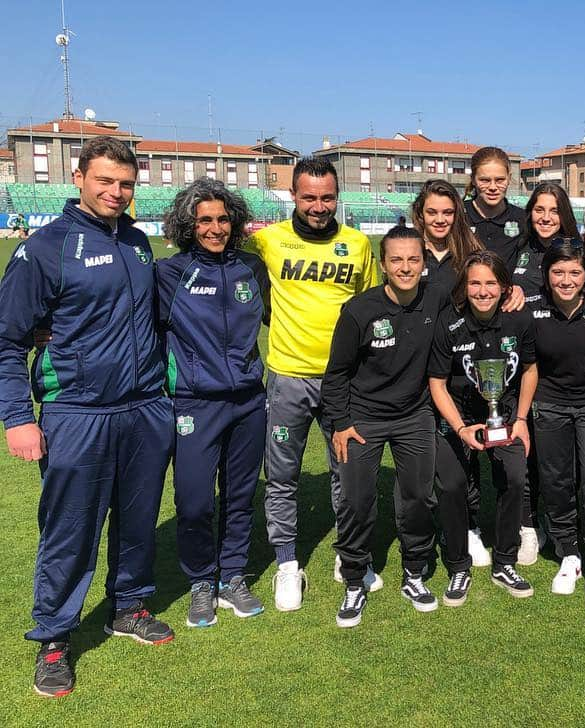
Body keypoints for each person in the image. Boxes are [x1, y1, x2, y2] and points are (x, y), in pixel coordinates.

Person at [0, 137, 174, 697]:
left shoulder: (141, 243)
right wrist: (17, 418)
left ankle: (129, 606)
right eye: (105, 181)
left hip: (144, 406)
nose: (116, 192)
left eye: (125, 183)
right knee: (70, 528)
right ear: (79, 178)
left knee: (138, 517)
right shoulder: (45, 248)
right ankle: (53, 637)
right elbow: (7, 340)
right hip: (76, 411)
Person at [247, 156, 381, 611]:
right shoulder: (268, 241)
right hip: (288, 377)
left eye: (327, 197)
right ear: (293, 196)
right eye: (309, 197)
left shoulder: (359, 244)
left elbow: (370, 307)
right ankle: (287, 562)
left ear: (337, 196)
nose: (319, 206)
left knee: (347, 471)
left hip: (345, 382)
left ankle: (349, 556)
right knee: (281, 473)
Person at [157, 178, 271, 628]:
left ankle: (233, 577)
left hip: (247, 401)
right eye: (205, 220)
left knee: (240, 496)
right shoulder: (170, 273)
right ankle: (202, 581)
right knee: (194, 500)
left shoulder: (251, 268)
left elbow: (281, 317)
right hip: (194, 402)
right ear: (188, 224)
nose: (215, 227)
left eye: (223, 218)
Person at [322, 225, 448, 627]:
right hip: (363, 420)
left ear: (424, 263)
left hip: (414, 417)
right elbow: (336, 373)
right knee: (357, 502)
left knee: (418, 498)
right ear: (383, 265)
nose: (406, 267)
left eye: (413, 259)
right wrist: (341, 423)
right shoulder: (360, 310)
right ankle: (355, 579)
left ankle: (414, 572)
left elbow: (484, 296)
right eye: (397, 259)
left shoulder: (437, 300)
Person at [428, 251, 539, 601]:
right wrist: (460, 428)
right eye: (475, 282)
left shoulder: (519, 320)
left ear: (505, 286)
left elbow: (530, 370)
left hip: (504, 414)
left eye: (491, 283)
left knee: (515, 476)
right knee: (452, 483)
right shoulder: (450, 322)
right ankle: (459, 566)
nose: (482, 290)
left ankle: (505, 561)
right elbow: (437, 383)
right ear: (465, 286)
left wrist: (520, 420)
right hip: (459, 417)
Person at [530, 239, 585, 614]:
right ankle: (569, 552)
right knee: (556, 480)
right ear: (547, 275)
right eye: (558, 272)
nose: (566, 280)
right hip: (549, 405)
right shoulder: (532, 308)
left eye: (574, 272)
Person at [510, 182, 584, 563]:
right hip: (525, 370)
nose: (546, 217)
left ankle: (569, 527)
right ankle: (528, 526)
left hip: (567, 373)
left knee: (562, 461)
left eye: (553, 210)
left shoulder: (579, 252)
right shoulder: (518, 252)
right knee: (527, 454)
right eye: (539, 209)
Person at [413, 179, 482, 294]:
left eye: (448, 212)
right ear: (421, 214)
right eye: (432, 212)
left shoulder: (471, 252)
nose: (440, 220)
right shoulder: (409, 251)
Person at [464, 146, 527, 264]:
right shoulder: (457, 215)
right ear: (473, 179)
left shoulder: (523, 219)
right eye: (485, 180)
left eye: (499, 180)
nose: (493, 187)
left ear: (509, 178)